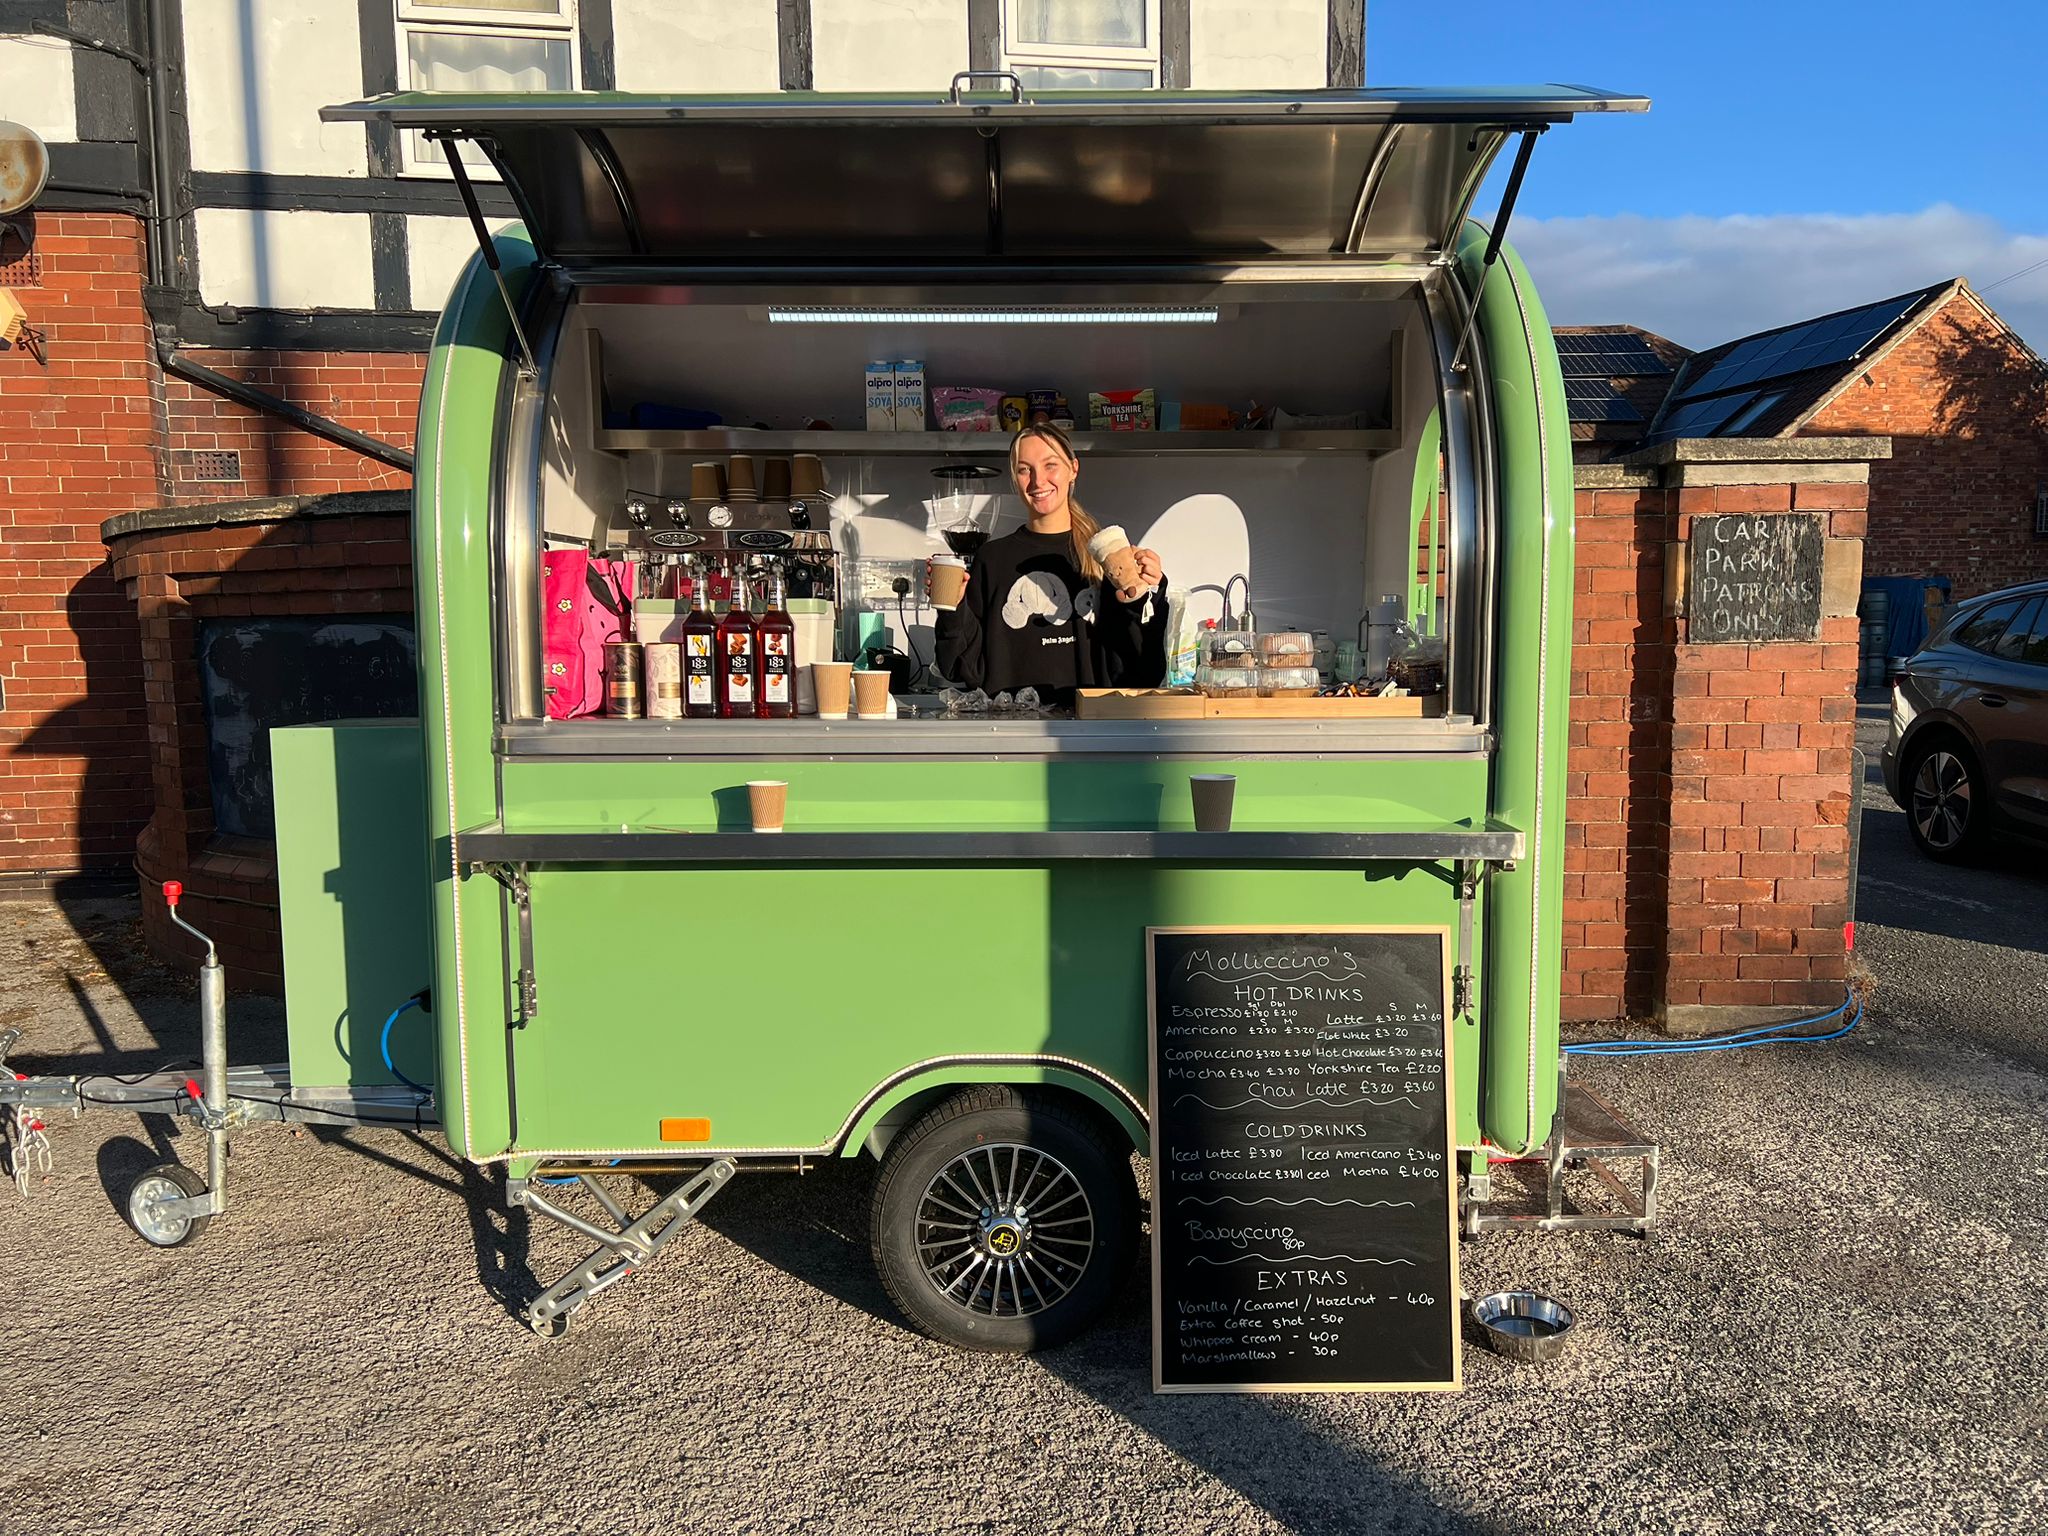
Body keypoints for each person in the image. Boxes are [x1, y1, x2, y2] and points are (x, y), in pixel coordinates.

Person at [931, 424, 1167, 703]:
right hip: (1011, 738)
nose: (1037, 480)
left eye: (1050, 465)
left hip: (1090, 736)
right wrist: (952, 609)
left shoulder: (1106, 559)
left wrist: (1145, 596)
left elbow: (1143, 673)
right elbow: (961, 669)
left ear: (1073, 469)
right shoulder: (992, 560)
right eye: (1024, 469)